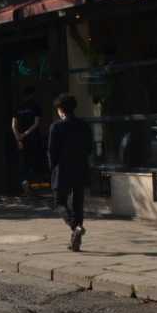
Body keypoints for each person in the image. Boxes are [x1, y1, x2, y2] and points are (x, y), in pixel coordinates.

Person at [48, 94, 93, 252]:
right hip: (80, 168)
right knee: (77, 204)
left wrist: (52, 169)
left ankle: (76, 227)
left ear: (60, 110)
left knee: (59, 202)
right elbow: (90, 148)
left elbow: (52, 152)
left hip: (63, 170)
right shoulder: (84, 125)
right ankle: (76, 237)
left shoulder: (56, 127)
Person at [12, 86, 43, 196]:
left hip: (20, 140)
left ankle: (25, 187)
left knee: (22, 163)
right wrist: (25, 134)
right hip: (32, 138)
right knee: (32, 162)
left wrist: (18, 137)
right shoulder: (35, 106)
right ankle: (32, 187)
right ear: (32, 94)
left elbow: (13, 125)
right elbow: (36, 123)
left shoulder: (18, 107)